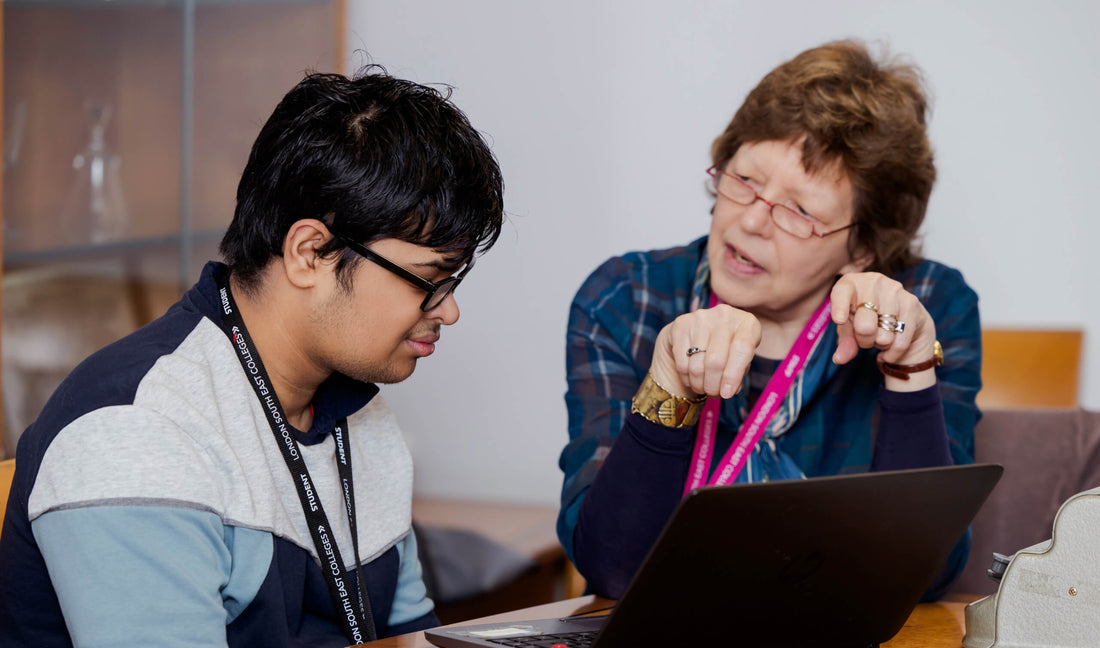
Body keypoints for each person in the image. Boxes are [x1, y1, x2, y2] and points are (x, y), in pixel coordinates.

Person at [0, 66, 504, 647]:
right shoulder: (136, 431)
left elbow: (411, 637)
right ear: (310, 253)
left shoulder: (361, 418)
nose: (448, 311)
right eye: (426, 280)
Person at [558, 40, 980, 600]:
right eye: (746, 180)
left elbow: (926, 574)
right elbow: (613, 570)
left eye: (801, 212)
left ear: (862, 250)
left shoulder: (923, 305)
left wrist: (908, 371)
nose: (753, 220)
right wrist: (669, 390)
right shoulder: (626, 299)